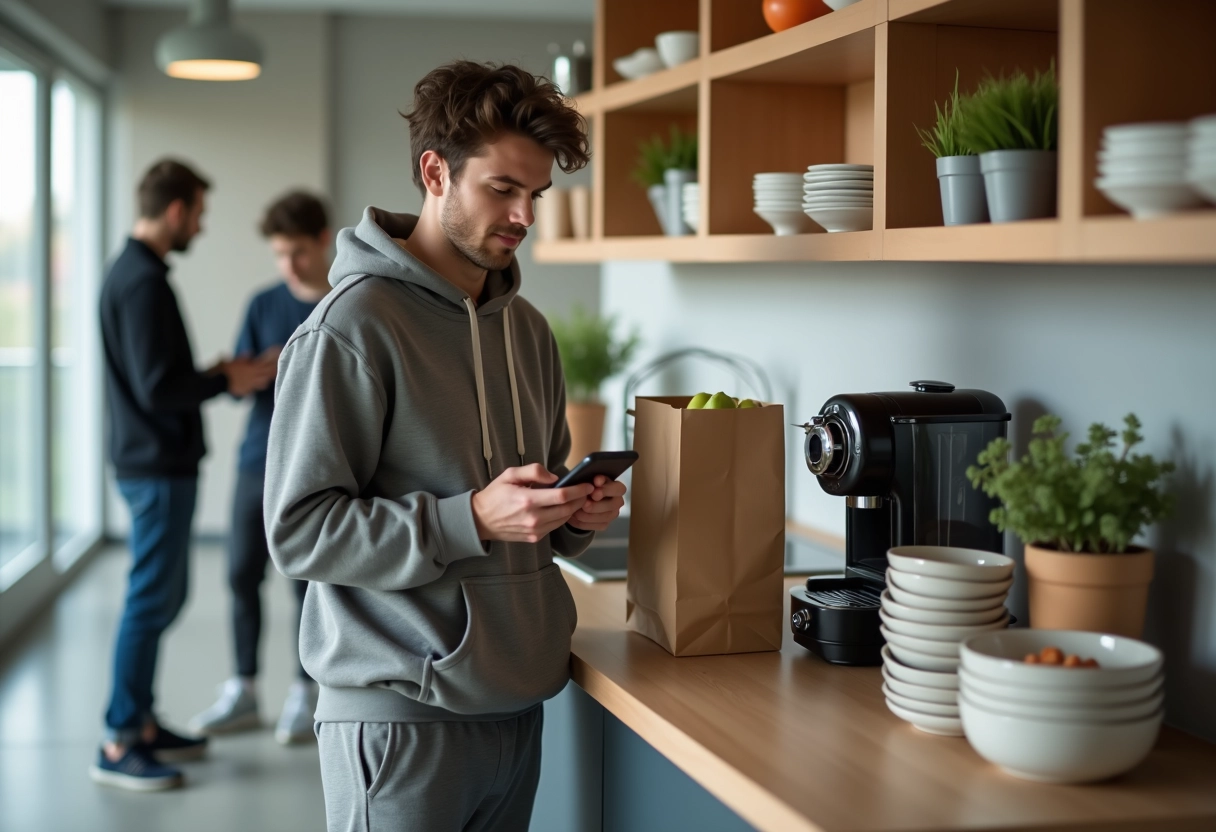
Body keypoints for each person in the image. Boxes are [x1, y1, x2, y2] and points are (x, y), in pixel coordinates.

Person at [264, 61, 626, 831]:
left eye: (537, 194)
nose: (525, 214)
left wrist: (572, 516)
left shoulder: (526, 330)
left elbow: (523, 514)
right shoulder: (351, 328)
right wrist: (473, 518)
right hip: (396, 720)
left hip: (516, 711)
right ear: (436, 172)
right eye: (503, 188)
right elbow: (298, 531)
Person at [91, 159, 278, 791]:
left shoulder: (135, 274)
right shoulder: (142, 281)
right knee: (151, 600)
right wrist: (225, 378)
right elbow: (157, 387)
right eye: (198, 212)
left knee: (161, 596)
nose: (199, 224)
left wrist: (217, 374)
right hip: (157, 467)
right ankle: (119, 739)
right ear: (176, 210)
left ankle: (140, 722)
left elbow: (156, 377)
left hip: (153, 463)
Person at [189, 191, 333, 744]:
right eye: (278, 253)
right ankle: (243, 690)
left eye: (295, 250)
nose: (287, 265)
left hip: (315, 468)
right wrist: (250, 373)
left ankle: (306, 690)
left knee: (305, 582)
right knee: (239, 574)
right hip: (257, 460)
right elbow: (240, 385)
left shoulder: (348, 300)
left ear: (322, 240)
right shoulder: (261, 304)